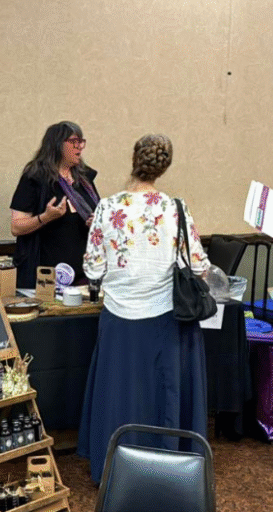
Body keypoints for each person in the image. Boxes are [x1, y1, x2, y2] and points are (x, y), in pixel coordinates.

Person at [76, 134, 211, 483]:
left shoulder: (106, 207)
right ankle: (166, 469)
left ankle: (113, 470)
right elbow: (198, 266)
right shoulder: (175, 208)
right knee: (162, 397)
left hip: (119, 318)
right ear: (164, 167)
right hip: (166, 317)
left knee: (118, 394)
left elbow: (91, 269)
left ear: (134, 158)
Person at [10, 121, 100, 288]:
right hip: (46, 278)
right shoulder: (35, 178)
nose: (80, 147)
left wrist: (96, 222)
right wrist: (46, 217)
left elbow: (98, 215)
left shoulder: (85, 180)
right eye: (74, 142)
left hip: (85, 275)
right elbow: (16, 227)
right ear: (57, 145)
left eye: (81, 142)